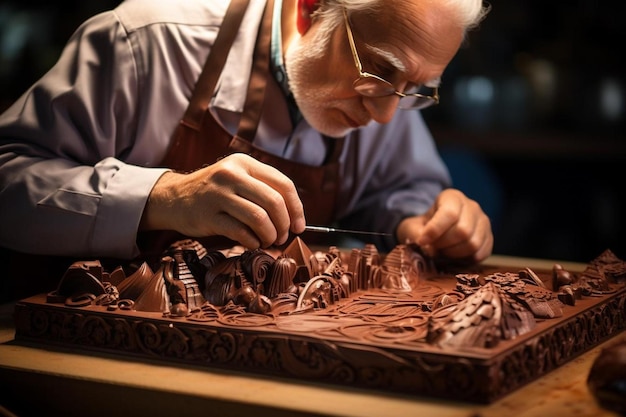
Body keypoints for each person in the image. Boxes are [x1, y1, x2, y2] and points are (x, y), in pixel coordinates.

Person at [0, 0, 493, 291]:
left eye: (416, 89)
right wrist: (162, 198)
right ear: (310, 7)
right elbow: (9, 181)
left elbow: (402, 192)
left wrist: (426, 223)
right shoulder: (147, 42)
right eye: (379, 70)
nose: (385, 116)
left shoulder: (390, 98)